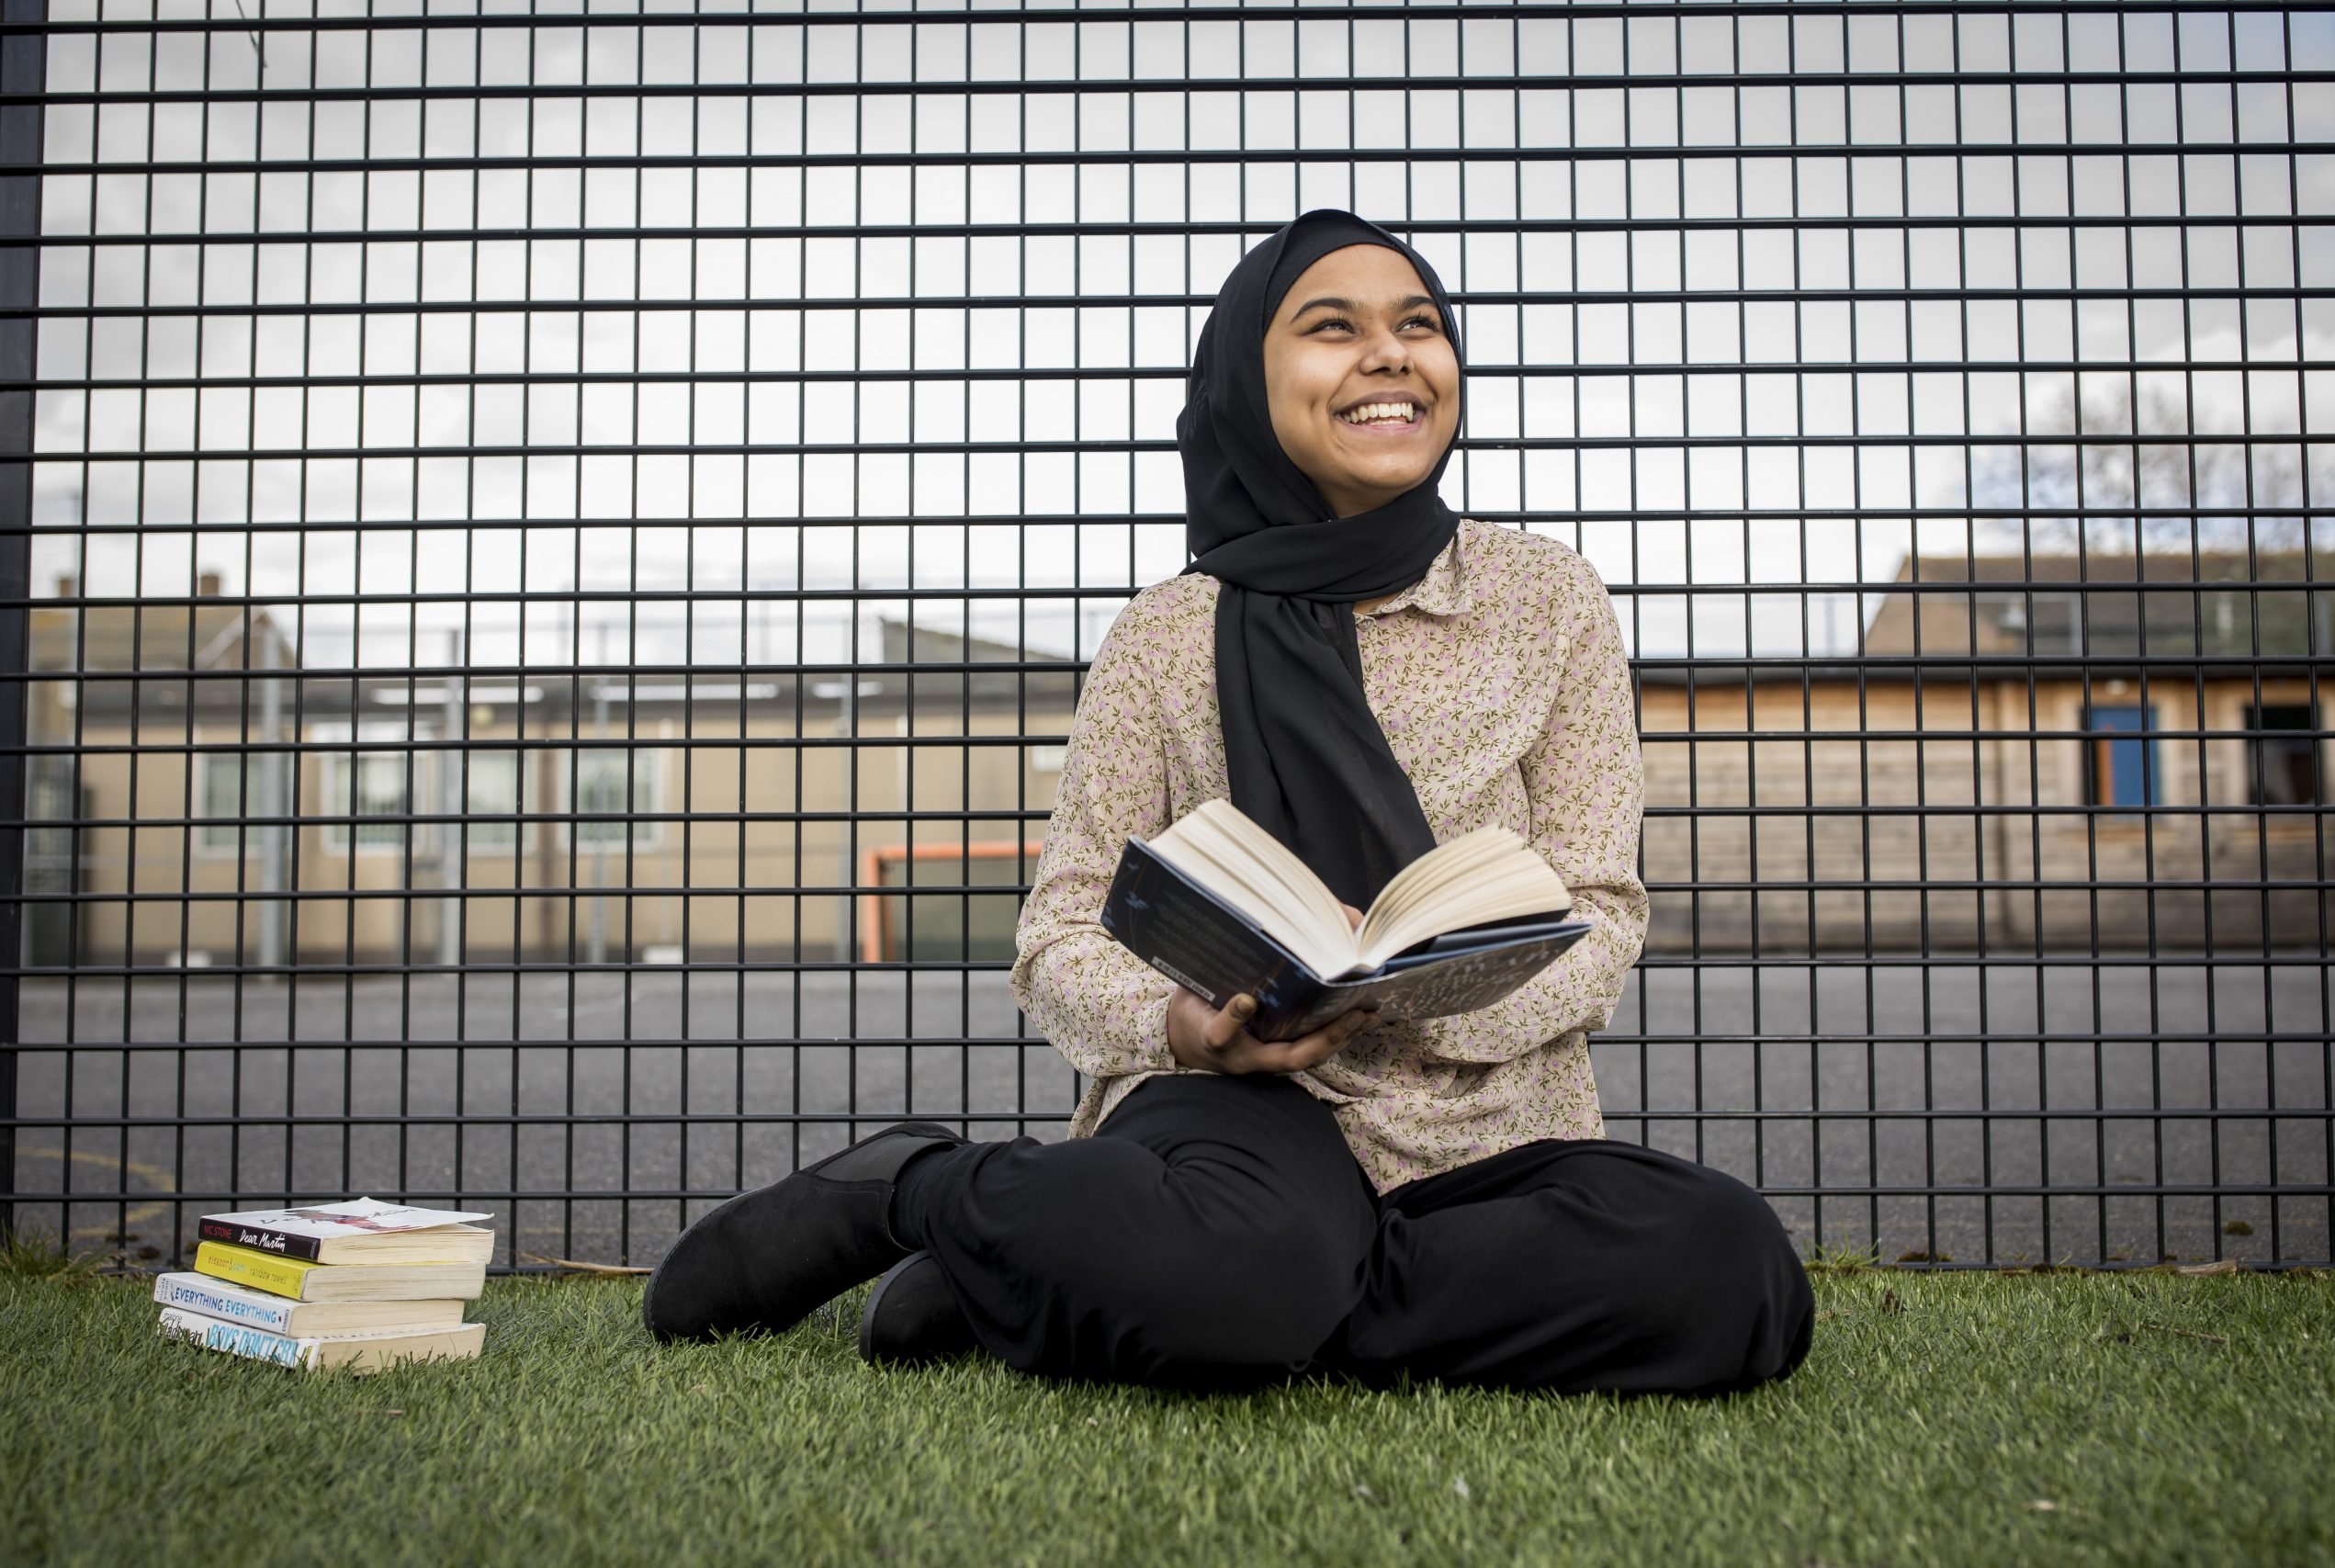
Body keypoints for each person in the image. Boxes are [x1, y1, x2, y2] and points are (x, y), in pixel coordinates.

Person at [642, 210, 1815, 1396]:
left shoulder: (1545, 597)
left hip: (1488, 1128)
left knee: (1730, 1270)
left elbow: (1601, 908)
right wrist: (1193, 1030)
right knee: (1243, 1262)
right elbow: (1060, 931)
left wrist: (1440, 1003)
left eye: (1419, 325)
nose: (1393, 354)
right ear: (1249, 381)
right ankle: (920, 1185)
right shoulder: (1169, 633)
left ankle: (1071, 1266)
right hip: (1242, 1115)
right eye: (1331, 328)